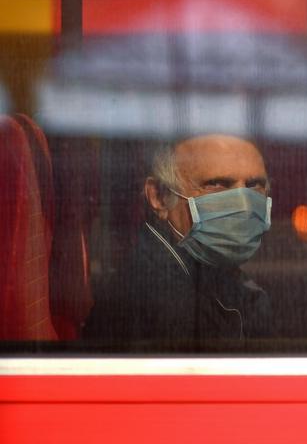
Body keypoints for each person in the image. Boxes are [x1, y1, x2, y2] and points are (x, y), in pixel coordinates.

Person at [85, 134, 274, 347]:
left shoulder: (208, 271)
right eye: (217, 184)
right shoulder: (154, 299)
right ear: (159, 197)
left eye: (254, 185)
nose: (244, 204)